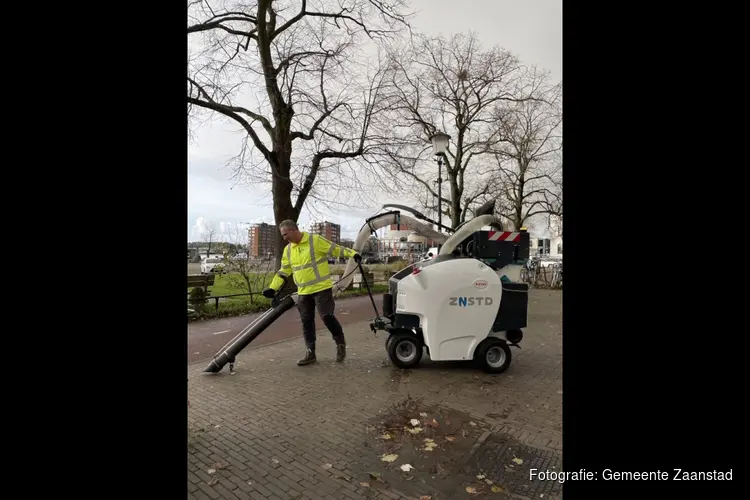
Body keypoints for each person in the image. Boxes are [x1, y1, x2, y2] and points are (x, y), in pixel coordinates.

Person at [263, 220, 362, 366]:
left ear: (292, 230)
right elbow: (284, 271)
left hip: (322, 289)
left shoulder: (314, 240)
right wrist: (273, 288)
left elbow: (335, 249)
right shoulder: (288, 250)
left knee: (326, 317)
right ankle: (310, 353)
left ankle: (340, 344)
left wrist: (353, 254)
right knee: (306, 322)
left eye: (285, 234)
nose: (284, 238)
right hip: (303, 292)